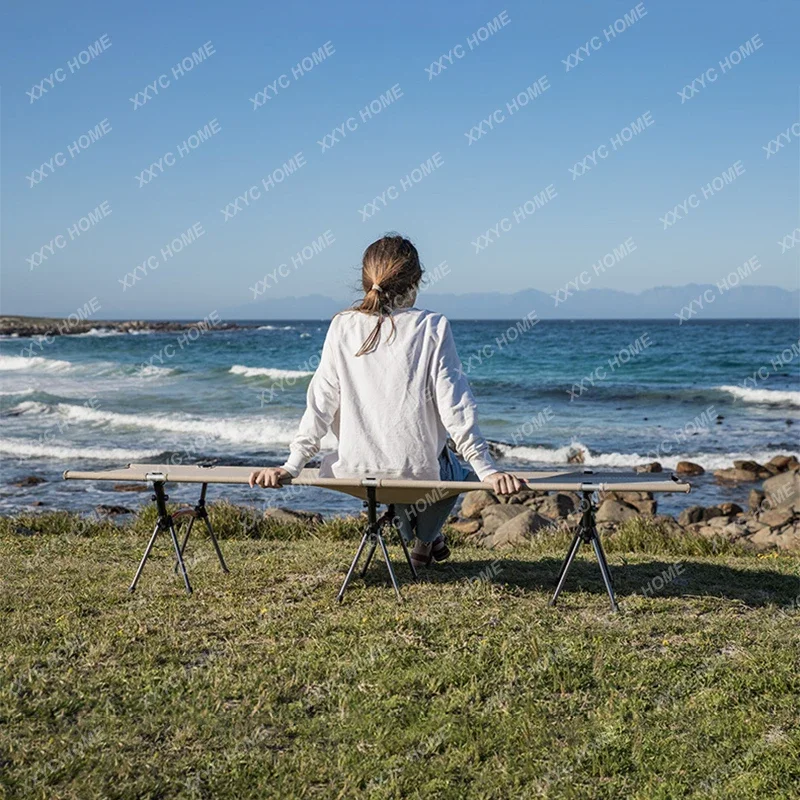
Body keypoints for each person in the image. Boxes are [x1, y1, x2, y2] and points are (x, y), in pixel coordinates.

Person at [250, 234, 521, 567]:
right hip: (415, 475)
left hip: (354, 473)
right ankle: (425, 539)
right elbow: (456, 408)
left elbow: (320, 402)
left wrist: (292, 465)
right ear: (416, 282)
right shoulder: (432, 326)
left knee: (405, 460)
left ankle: (427, 541)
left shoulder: (341, 326)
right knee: (455, 471)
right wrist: (487, 469)